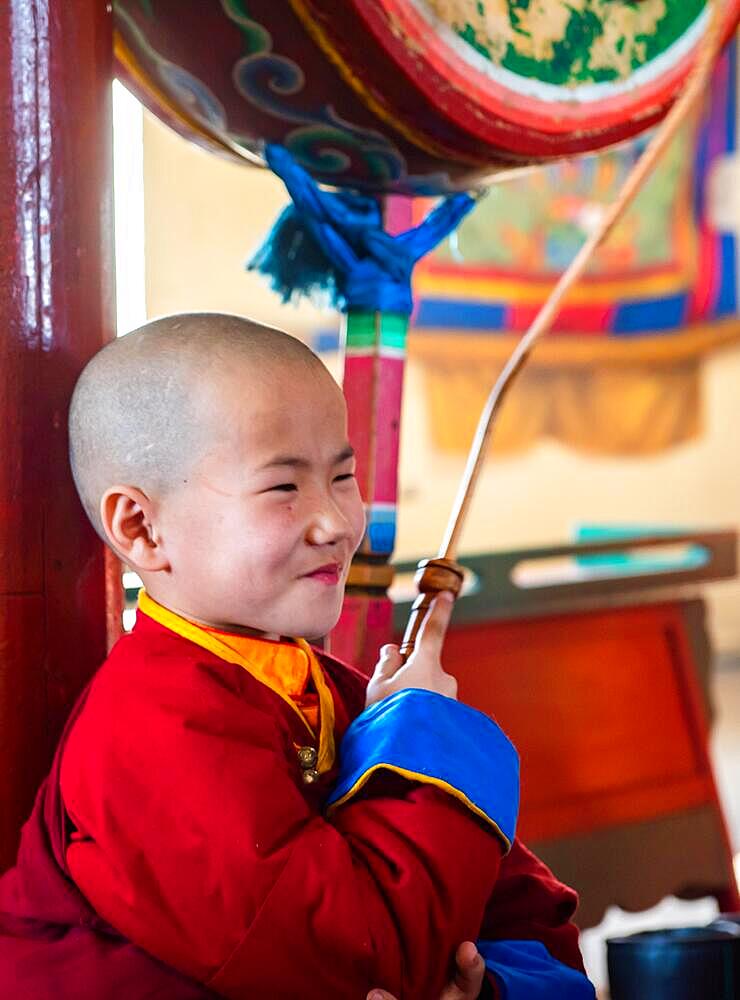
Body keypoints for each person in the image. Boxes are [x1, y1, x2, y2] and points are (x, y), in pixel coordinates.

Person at [0, 313, 595, 999]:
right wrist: (421, 736)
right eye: (284, 487)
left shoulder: (333, 692)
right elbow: (361, 967)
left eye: (342, 477)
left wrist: (490, 987)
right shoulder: (149, 732)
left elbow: (532, 913)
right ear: (142, 527)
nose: (337, 522)